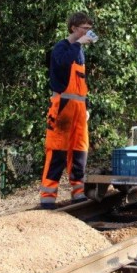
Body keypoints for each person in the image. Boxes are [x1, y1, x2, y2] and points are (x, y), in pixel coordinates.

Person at [40, 12, 95, 209]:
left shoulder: (79, 51)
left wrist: (86, 106)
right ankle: (48, 195)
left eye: (89, 29)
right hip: (62, 106)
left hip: (79, 108)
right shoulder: (62, 47)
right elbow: (63, 64)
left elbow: (81, 82)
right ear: (73, 28)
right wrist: (79, 43)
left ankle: (78, 191)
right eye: (84, 28)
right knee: (57, 150)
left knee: (80, 150)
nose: (87, 32)